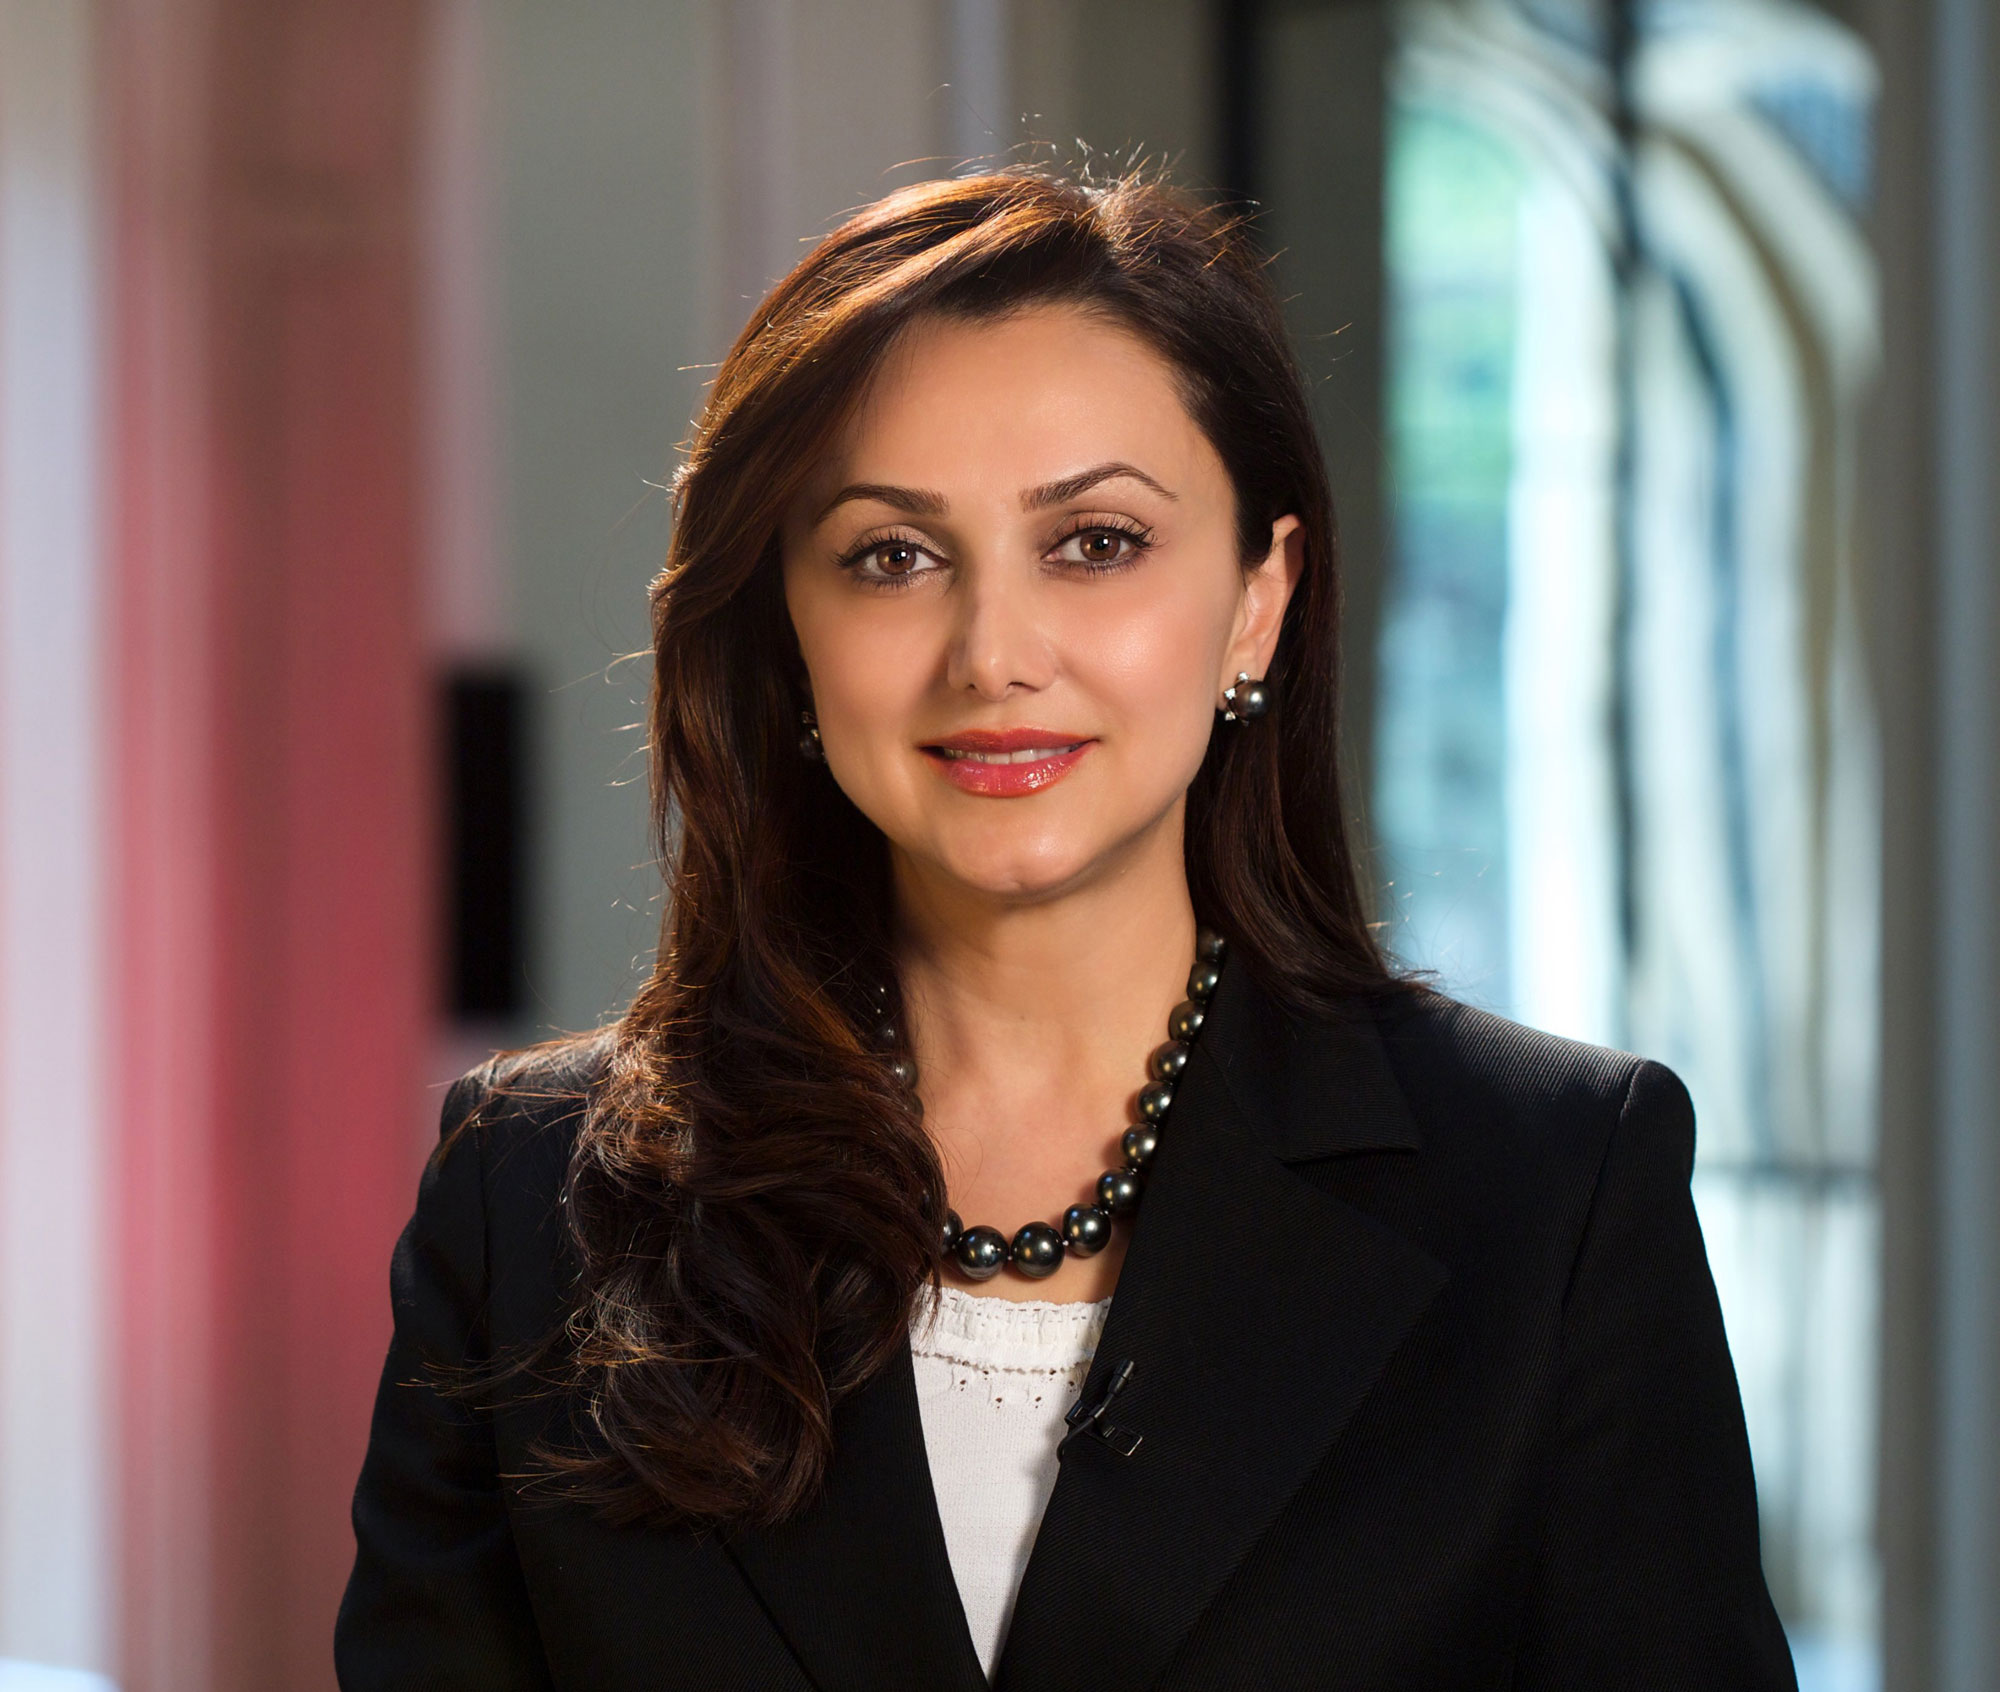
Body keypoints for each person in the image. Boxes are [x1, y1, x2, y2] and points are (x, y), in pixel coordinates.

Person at [335, 170, 1796, 1691]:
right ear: (785, 633)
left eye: (1095, 541)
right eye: (892, 555)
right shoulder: (529, 1205)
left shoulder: (1553, 1190)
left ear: (1257, 598)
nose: (994, 652)